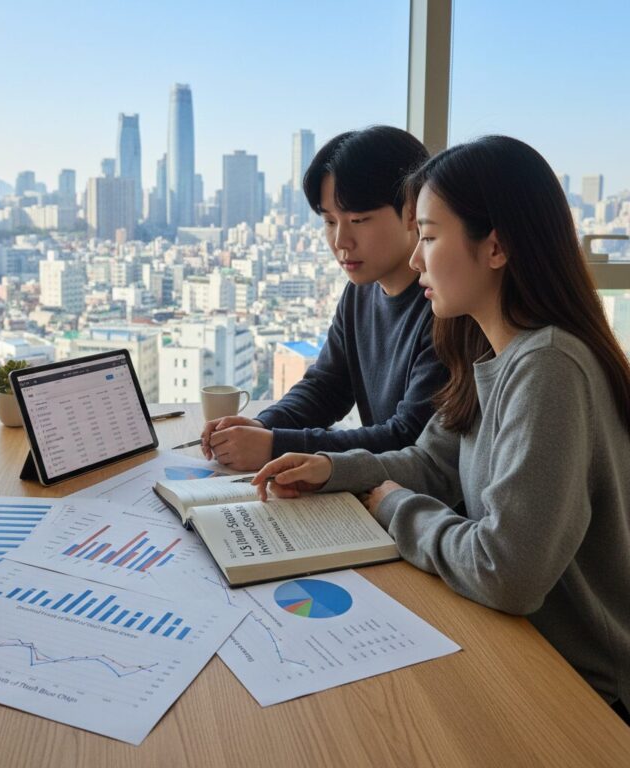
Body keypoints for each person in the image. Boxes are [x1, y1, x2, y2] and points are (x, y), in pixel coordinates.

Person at [252, 135, 630, 721]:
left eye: (428, 236)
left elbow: (507, 574)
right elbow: (430, 462)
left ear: (496, 246)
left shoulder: (549, 369)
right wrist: (331, 470)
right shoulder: (488, 347)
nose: (414, 259)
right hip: (515, 643)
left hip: (579, 689)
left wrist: (394, 506)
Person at [201, 126, 447, 470]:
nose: (341, 241)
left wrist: (275, 446)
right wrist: (263, 424)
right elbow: (327, 387)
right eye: (329, 221)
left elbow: (409, 438)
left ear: (412, 212)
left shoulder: (446, 307)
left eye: (358, 219)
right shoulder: (360, 292)